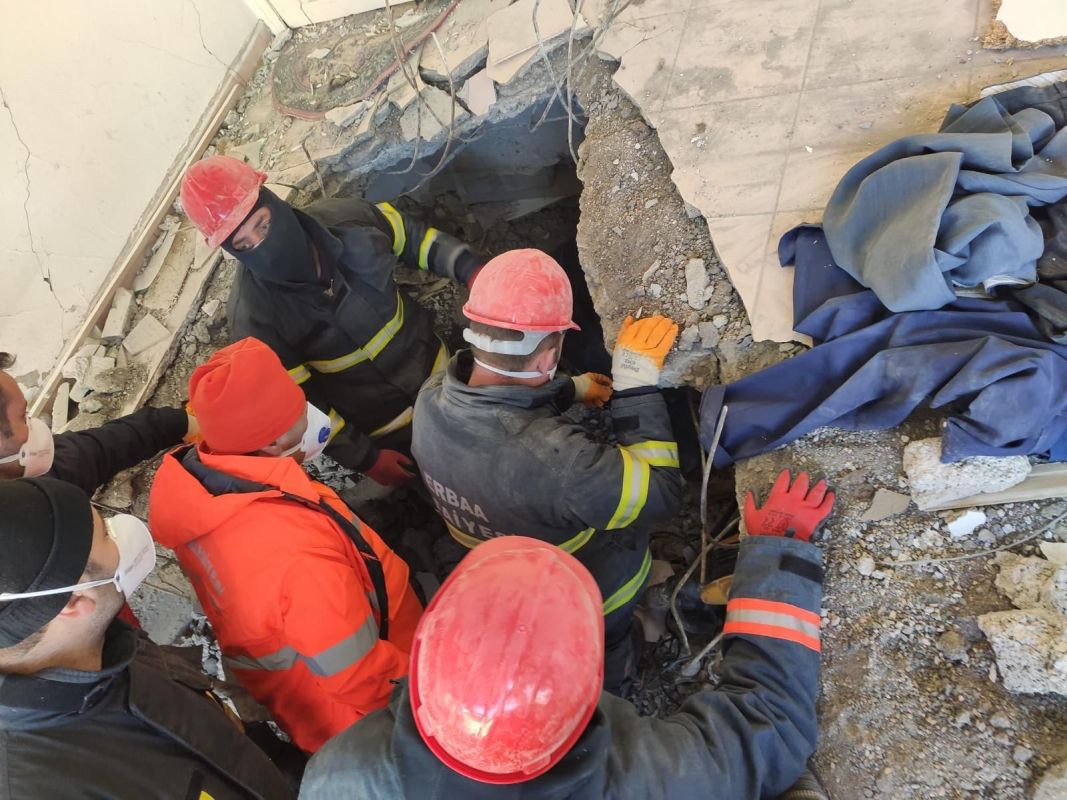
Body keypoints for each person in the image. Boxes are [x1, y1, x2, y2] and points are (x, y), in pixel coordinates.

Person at [299, 469, 834, 799]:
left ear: (424, 658)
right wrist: (777, 557)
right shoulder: (645, 779)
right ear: (592, 680)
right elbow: (771, 725)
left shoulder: (337, 776)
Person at [411, 248, 683, 693]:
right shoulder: (565, 466)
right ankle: (618, 677)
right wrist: (635, 388)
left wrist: (569, 390)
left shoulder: (432, 396)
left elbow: (500, 407)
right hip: (592, 592)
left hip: (502, 583)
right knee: (607, 642)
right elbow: (662, 493)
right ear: (548, 354)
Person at [148, 337, 423, 753]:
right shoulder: (295, 557)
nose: (309, 412)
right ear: (272, 443)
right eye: (299, 408)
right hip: (375, 722)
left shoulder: (206, 489)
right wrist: (432, 699)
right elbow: (362, 677)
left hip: (311, 702)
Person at [180, 155, 485, 487]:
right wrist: (366, 458)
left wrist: (475, 272)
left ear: (274, 202)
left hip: (449, 377)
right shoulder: (255, 320)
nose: (263, 246)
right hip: (391, 431)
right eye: (243, 245)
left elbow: (414, 239)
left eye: (263, 224)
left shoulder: (351, 220)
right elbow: (302, 403)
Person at [0, 477, 293, 799]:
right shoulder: (42, 787)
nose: (119, 532)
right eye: (107, 535)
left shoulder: (110, 647)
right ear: (74, 601)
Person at [0, 369, 196, 496]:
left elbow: (96, 451)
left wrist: (177, 423)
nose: (33, 423)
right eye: (23, 416)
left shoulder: (46, 473)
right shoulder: (35, 532)